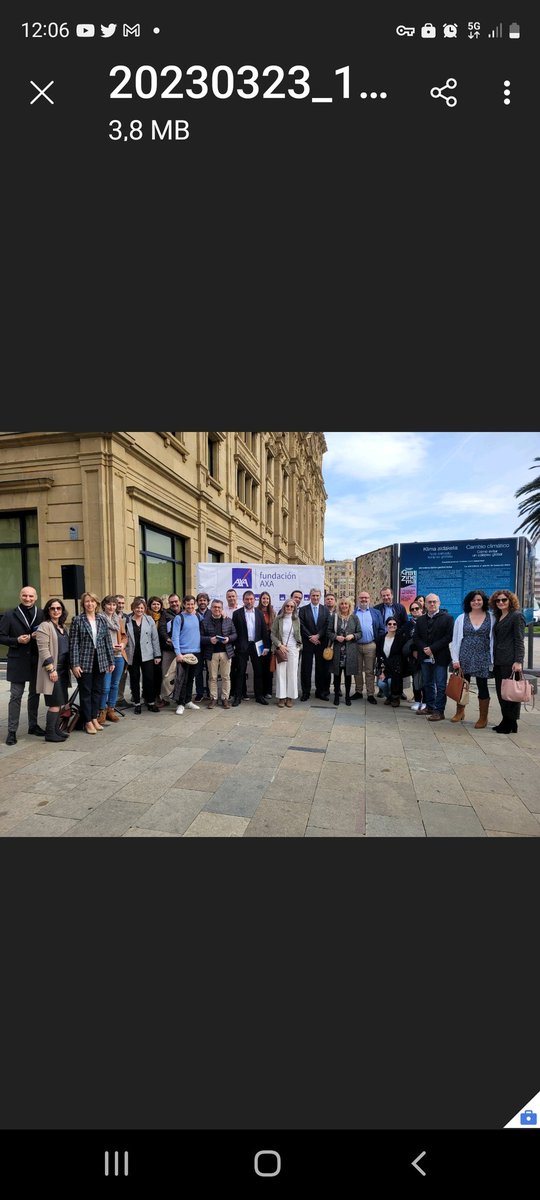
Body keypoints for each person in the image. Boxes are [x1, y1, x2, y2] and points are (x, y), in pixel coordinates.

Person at [0, 585, 45, 745]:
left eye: (31, 596)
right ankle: (12, 731)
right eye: (25, 595)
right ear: (20, 596)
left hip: (36, 660)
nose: (28, 598)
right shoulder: (9, 614)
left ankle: (33, 725)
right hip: (17, 660)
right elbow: (1, 636)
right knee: (16, 696)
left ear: (36, 597)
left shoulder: (41, 613)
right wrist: (16, 640)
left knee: (34, 694)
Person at [69, 592, 115, 734]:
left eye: (92, 601)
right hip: (84, 661)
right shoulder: (78, 620)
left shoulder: (102, 619)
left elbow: (107, 641)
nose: (90, 604)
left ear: (97, 604)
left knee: (97, 691)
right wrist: (74, 664)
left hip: (100, 660)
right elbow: (73, 644)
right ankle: (87, 721)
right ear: (83, 604)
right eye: (87, 601)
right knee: (86, 692)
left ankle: (94, 718)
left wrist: (111, 660)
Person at [449, 590, 495, 727]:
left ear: (483, 601)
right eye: (473, 600)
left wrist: (493, 659)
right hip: (465, 655)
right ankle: (460, 712)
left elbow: (494, 639)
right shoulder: (461, 618)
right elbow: (455, 640)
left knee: (482, 685)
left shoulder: (492, 617)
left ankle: (483, 718)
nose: (476, 602)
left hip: (483, 656)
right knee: (462, 684)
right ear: (469, 602)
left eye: (479, 600)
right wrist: (455, 659)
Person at [411, 594, 454, 720]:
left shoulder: (447, 618)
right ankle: (430, 706)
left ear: (439, 603)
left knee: (440, 685)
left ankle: (439, 711)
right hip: (425, 656)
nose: (432, 604)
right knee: (427, 683)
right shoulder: (420, 620)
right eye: (429, 602)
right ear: (425, 604)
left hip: (440, 657)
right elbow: (416, 637)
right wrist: (425, 648)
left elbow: (448, 637)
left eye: (434, 602)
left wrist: (432, 649)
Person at [489, 588, 526, 734]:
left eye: (504, 600)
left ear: (510, 601)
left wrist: (518, 661)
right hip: (499, 660)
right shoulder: (498, 616)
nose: (501, 602)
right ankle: (508, 721)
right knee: (502, 692)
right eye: (498, 600)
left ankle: (509, 722)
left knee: (511, 692)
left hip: (510, 661)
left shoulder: (516, 616)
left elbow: (519, 640)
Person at [35, 598, 72, 742]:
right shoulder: (45, 626)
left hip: (63, 670)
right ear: (48, 610)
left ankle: (56, 730)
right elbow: (43, 650)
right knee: (54, 703)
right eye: (52, 608)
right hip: (52, 670)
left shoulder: (63, 627)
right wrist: (51, 670)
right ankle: (50, 733)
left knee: (60, 701)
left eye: (58, 608)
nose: (56, 611)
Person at [232, 590, 270, 706]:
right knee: (240, 672)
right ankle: (238, 697)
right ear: (243, 600)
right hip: (242, 646)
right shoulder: (237, 613)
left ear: (254, 600)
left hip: (257, 645)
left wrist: (266, 647)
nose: (249, 601)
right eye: (247, 599)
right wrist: (235, 645)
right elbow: (234, 631)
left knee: (258, 671)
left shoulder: (259, 613)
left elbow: (264, 631)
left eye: (251, 599)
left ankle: (259, 696)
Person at [124, 597, 162, 715]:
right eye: (137, 608)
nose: (139, 610)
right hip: (132, 654)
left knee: (149, 679)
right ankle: (137, 703)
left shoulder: (149, 620)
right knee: (134, 679)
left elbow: (154, 638)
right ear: (133, 608)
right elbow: (124, 637)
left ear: (144, 609)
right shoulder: (127, 620)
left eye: (141, 608)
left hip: (147, 654)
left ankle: (150, 702)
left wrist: (157, 655)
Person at [200, 599, 236, 708]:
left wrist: (228, 639)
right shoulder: (204, 622)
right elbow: (200, 637)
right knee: (212, 677)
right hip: (211, 653)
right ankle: (213, 698)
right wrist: (209, 640)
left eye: (219, 607)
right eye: (214, 607)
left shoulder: (228, 620)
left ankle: (225, 699)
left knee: (226, 677)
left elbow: (235, 634)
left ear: (222, 608)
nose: (217, 609)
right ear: (211, 608)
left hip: (226, 652)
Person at [97, 595, 128, 723]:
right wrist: (110, 647)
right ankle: (102, 710)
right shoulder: (99, 619)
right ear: (104, 605)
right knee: (105, 686)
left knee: (115, 685)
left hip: (119, 656)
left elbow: (124, 637)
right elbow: (97, 639)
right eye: (109, 604)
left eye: (114, 605)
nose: (112, 607)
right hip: (105, 656)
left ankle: (111, 709)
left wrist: (122, 645)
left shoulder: (118, 620)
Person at [352, 590, 385, 704]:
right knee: (357, 670)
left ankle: (370, 694)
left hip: (370, 645)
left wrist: (377, 642)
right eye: (361, 598)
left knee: (369, 671)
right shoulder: (353, 612)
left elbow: (381, 629)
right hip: (356, 645)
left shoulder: (376, 612)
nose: (364, 600)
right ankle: (358, 691)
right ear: (358, 599)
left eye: (366, 597)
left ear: (369, 599)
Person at [172, 595, 202, 715]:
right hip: (184, 653)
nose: (190, 606)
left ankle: (188, 700)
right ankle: (180, 703)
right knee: (182, 680)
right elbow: (175, 636)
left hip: (196, 652)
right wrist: (178, 653)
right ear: (183, 604)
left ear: (195, 604)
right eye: (188, 604)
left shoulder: (197, 616)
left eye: (192, 604)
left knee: (190, 678)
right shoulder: (179, 618)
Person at [299, 587, 331, 701]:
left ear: (320, 596)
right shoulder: (303, 610)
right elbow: (301, 625)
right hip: (307, 642)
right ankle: (306, 692)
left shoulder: (325, 610)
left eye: (317, 595)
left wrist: (318, 636)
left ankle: (320, 692)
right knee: (306, 668)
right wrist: (310, 637)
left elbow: (327, 625)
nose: (315, 597)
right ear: (310, 596)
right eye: (313, 595)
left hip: (321, 642)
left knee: (320, 668)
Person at [328, 598, 361, 706]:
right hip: (337, 651)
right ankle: (336, 696)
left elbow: (360, 633)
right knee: (337, 675)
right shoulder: (334, 617)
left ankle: (347, 696)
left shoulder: (354, 618)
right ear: (339, 606)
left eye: (346, 604)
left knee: (348, 675)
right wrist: (336, 637)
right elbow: (328, 632)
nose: (344, 606)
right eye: (342, 604)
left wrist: (353, 636)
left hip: (350, 651)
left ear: (349, 605)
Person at [271, 599, 302, 707]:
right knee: (281, 673)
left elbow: (298, 634)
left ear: (294, 608)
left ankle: (290, 697)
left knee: (292, 673)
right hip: (281, 648)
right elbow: (272, 634)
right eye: (287, 606)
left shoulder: (296, 619)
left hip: (293, 649)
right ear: (284, 607)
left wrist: (299, 646)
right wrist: (279, 645)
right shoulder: (278, 619)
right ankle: (281, 697)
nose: (289, 608)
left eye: (292, 606)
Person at [376, 616, 412, 707]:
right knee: (381, 683)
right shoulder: (381, 638)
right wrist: (382, 671)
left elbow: (402, 655)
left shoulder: (401, 638)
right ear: (386, 625)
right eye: (389, 624)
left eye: (394, 624)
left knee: (391, 681)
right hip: (385, 667)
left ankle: (395, 697)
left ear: (397, 625)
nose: (392, 625)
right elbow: (380, 655)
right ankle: (389, 697)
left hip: (397, 667)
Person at [157, 594, 182, 705]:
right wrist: (167, 638)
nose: (174, 604)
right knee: (166, 674)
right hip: (168, 649)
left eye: (176, 601)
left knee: (181, 675)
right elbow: (162, 629)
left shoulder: (185, 612)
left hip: (182, 649)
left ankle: (179, 697)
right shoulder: (165, 613)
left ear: (180, 601)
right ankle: (165, 698)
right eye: (171, 602)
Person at [407, 601, 427, 711]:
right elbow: (407, 639)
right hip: (413, 655)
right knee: (416, 679)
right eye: (412, 609)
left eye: (417, 608)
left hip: (425, 653)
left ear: (421, 609)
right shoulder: (409, 624)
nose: (414, 611)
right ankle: (417, 700)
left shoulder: (427, 621)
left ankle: (425, 701)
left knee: (425, 679)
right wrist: (413, 650)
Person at [147, 596, 165, 708]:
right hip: (149, 649)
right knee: (149, 674)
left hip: (161, 649)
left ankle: (157, 695)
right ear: (150, 605)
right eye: (154, 604)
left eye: (158, 604)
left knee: (158, 674)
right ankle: (148, 696)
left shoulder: (163, 616)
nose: (156, 606)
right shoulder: (146, 616)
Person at [257, 591, 276, 699]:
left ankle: (268, 691)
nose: (265, 600)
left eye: (267, 599)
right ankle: (260, 691)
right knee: (260, 667)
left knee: (269, 667)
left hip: (270, 641)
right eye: (263, 598)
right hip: (259, 642)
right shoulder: (256, 611)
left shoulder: (272, 612)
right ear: (260, 599)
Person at [114, 594, 131, 708]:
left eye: (122, 603)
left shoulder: (127, 617)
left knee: (123, 676)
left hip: (124, 650)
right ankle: (110, 701)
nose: (120, 605)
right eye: (118, 603)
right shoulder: (108, 616)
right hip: (112, 650)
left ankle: (120, 698)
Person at [194, 593, 211, 701]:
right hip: (197, 646)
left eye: (204, 600)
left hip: (210, 646)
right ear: (197, 602)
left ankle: (209, 692)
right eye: (200, 600)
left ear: (208, 602)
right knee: (198, 671)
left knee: (210, 670)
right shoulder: (193, 613)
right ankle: (199, 693)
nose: (202, 602)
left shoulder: (212, 612)